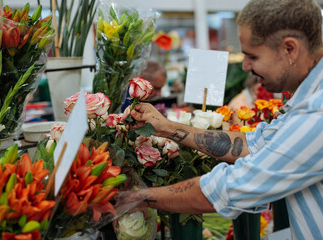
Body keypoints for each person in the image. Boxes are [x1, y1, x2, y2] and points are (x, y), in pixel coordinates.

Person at [123, 0, 323, 238]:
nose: (246, 65)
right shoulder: (308, 98)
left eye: (253, 56)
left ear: (289, 49)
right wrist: (166, 127)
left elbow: (233, 186)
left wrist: (136, 198)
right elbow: (252, 144)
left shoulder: (316, 111)